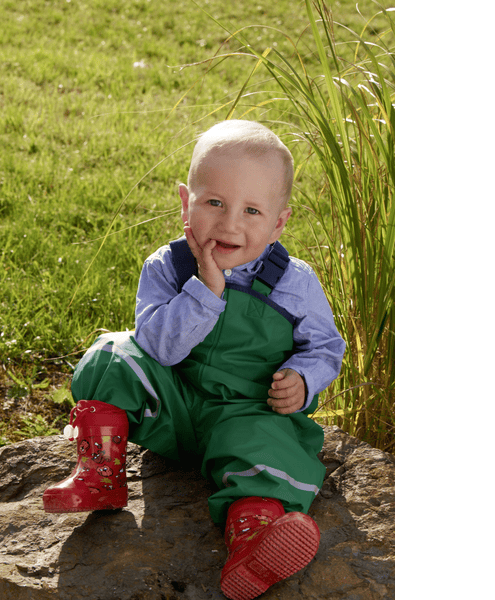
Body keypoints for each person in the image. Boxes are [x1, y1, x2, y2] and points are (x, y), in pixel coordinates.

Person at [43, 120, 346, 600]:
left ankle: (253, 536)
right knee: (110, 353)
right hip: (173, 409)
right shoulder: (169, 267)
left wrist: (304, 378)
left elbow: (327, 346)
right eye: (214, 203)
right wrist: (205, 291)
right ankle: (101, 471)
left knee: (265, 444)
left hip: (245, 413)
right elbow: (158, 348)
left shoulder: (295, 283)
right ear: (186, 202)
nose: (229, 224)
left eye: (251, 210)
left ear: (279, 222)